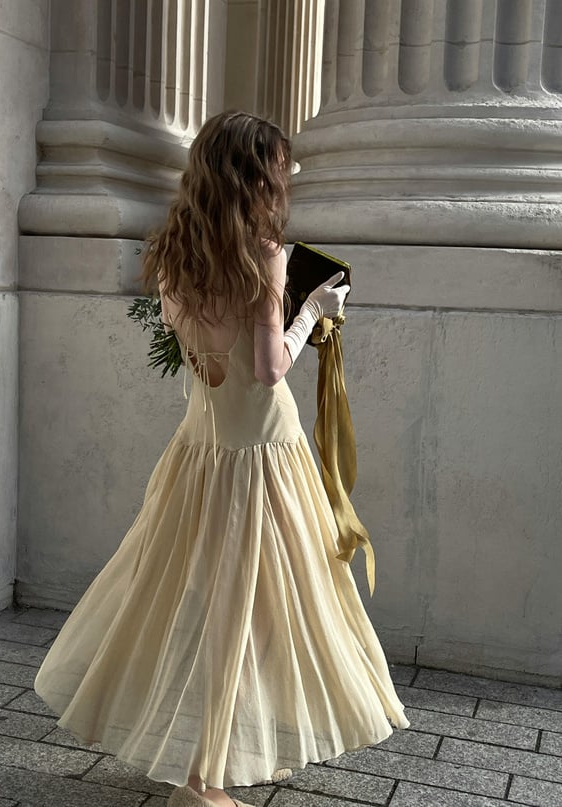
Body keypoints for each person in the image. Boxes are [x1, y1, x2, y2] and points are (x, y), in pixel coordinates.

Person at [34, 110, 409, 807]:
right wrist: (314, 306)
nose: (285, 178)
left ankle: (228, 751)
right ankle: (203, 781)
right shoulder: (264, 255)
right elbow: (268, 369)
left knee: (217, 607)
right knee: (256, 613)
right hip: (262, 460)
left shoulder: (176, 253)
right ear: (252, 176)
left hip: (204, 452)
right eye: (277, 168)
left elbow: (203, 361)